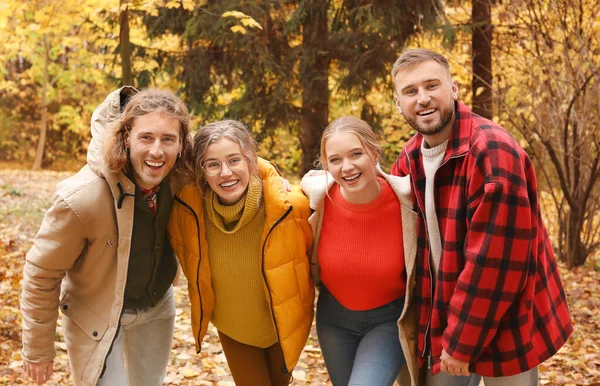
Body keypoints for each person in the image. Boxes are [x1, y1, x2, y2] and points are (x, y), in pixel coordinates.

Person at [390, 48, 573, 386]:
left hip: (506, 314)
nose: (423, 98)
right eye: (410, 91)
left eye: (432, 85)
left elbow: (496, 264)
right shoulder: (410, 157)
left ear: (454, 89)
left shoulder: (491, 151)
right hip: (445, 311)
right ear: (398, 104)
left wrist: (461, 344)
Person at [21, 87, 193, 386]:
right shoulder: (81, 198)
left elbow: (233, 166)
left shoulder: (182, 180)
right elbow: (42, 274)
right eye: (146, 137)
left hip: (156, 308)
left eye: (168, 139)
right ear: (126, 138)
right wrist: (37, 350)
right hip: (96, 314)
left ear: (181, 145)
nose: (157, 150)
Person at [167, 119, 314, 386]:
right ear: (201, 170)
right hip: (233, 329)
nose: (225, 172)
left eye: (234, 160)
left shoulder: (290, 207)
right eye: (213, 164)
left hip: (283, 328)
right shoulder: (186, 211)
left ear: (250, 160)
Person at [300, 116, 419, 386]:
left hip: (389, 321)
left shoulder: (407, 202)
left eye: (356, 154)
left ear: (374, 153)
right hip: (334, 320)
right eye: (336, 160)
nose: (347, 167)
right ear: (326, 165)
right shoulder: (317, 198)